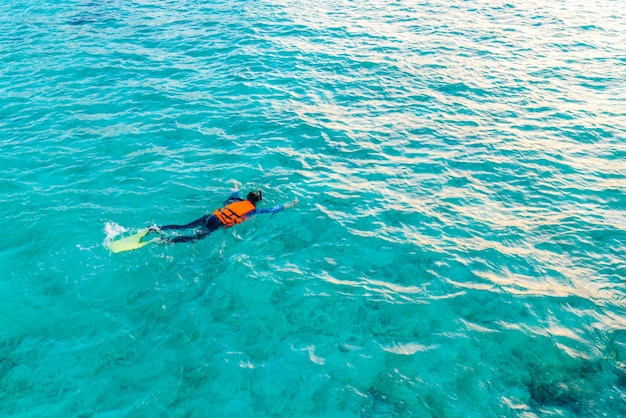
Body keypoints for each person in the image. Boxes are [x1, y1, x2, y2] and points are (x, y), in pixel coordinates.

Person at [148, 181, 298, 244]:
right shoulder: (253, 210)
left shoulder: (237, 200)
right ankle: (168, 241)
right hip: (217, 223)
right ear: (256, 201)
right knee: (195, 238)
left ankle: (158, 228)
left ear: (246, 197)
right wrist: (290, 205)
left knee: (184, 226)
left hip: (211, 216)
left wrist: (236, 184)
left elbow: (234, 193)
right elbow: (272, 209)